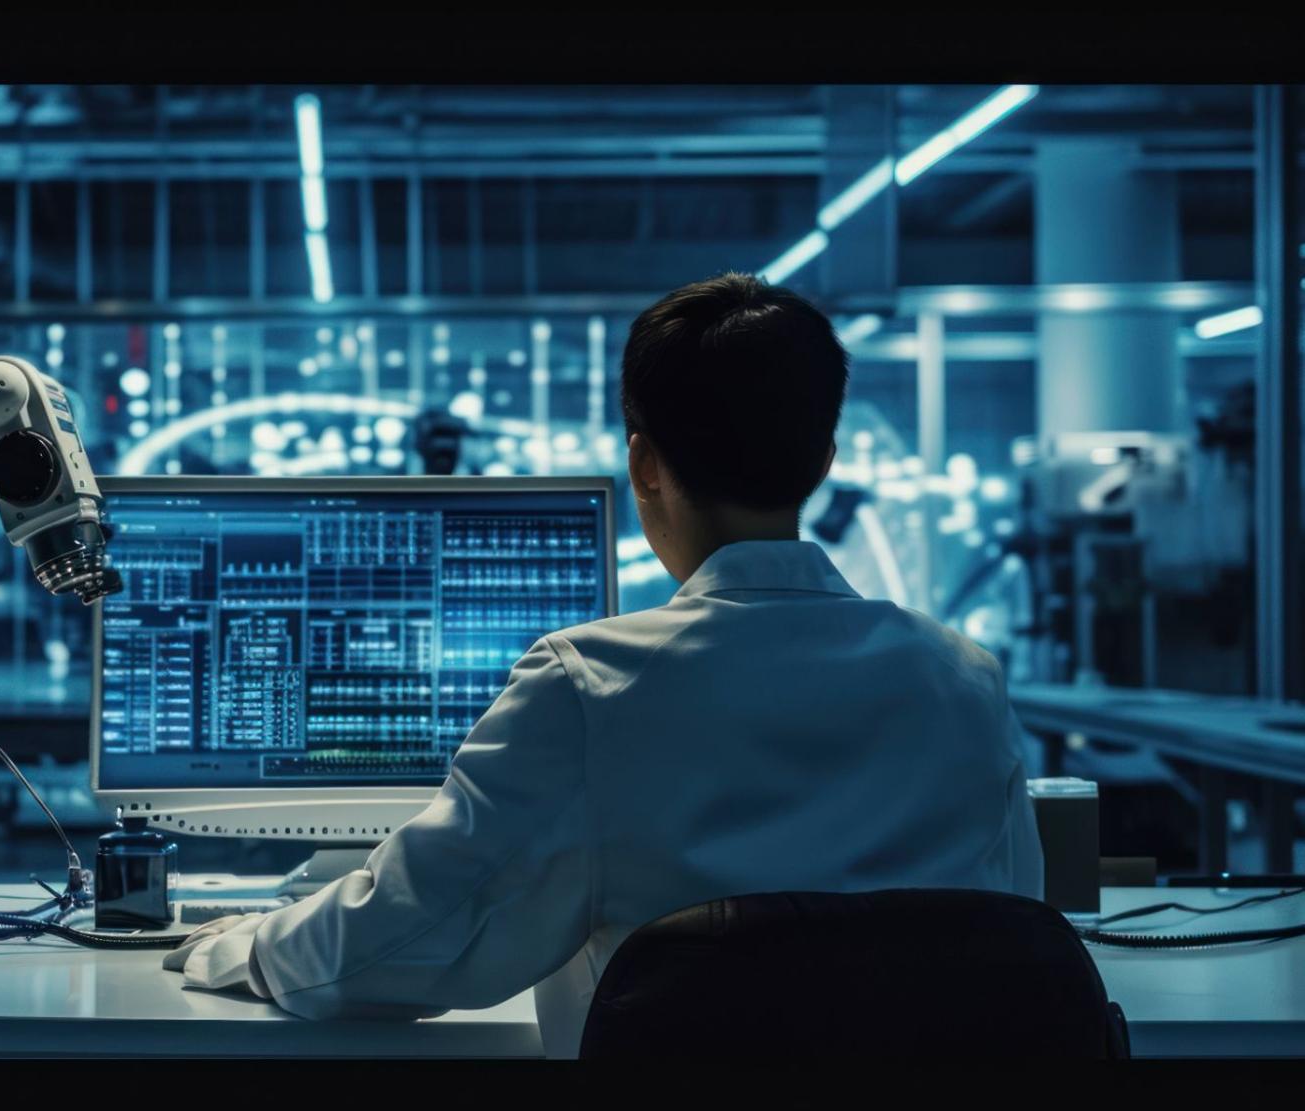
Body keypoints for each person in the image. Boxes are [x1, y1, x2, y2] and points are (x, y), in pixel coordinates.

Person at [163, 273, 1044, 1058]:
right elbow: (1012, 934)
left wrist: (239, 943)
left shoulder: (591, 685)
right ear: (823, 458)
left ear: (642, 462)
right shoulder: (961, 679)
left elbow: (399, 941)